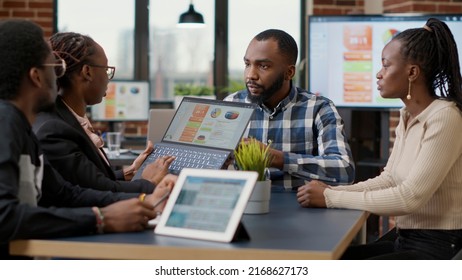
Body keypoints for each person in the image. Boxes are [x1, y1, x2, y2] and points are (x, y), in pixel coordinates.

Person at [0, 19, 177, 259]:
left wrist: (147, 197)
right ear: (36, 77)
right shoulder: (6, 121)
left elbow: (65, 194)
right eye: (54, 67)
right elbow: (4, 216)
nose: (58, 76)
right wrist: (101, 218)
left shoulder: (21, 126)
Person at [297, 18, 462, 259]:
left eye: (386, 66)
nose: (378, 73)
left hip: (439, 245)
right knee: (334, 258)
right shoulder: (407, 115)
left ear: (412, 72)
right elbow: (390, 179)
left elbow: (410, 197)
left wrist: (331, 198)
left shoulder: (445, 117)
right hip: (407, 237)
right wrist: (333, 190)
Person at [32, 32, 174, 194]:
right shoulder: (53, 129)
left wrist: (131, 171)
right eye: (106, 69)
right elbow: (97, 191)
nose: (108, 79)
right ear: (87, 72)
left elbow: (89, 180)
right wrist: (149, 181)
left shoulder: (65, 117)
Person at [224, 29, 355, 190]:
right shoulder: (232, 105)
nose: (250, 75)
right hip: (246, 206)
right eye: (247, 64)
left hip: (301, 208)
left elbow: (344, 170)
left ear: (289, 72)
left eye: (263, 66)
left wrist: (278, 159)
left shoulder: (319, 108)